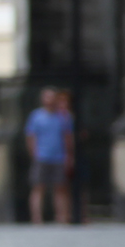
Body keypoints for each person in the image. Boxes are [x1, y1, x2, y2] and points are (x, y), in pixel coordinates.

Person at [24, 88, 73, 224]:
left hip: (59, 157)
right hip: (42, 156)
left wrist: (69, 155)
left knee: (60, 188)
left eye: (52, 97)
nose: (50, 100)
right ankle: (37, 219)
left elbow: (67, 137)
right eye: (47, 97)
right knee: (38, 187)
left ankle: (62, 217)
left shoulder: (63, 116)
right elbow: (30, 136)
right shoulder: (36, 116)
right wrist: (34, 154)